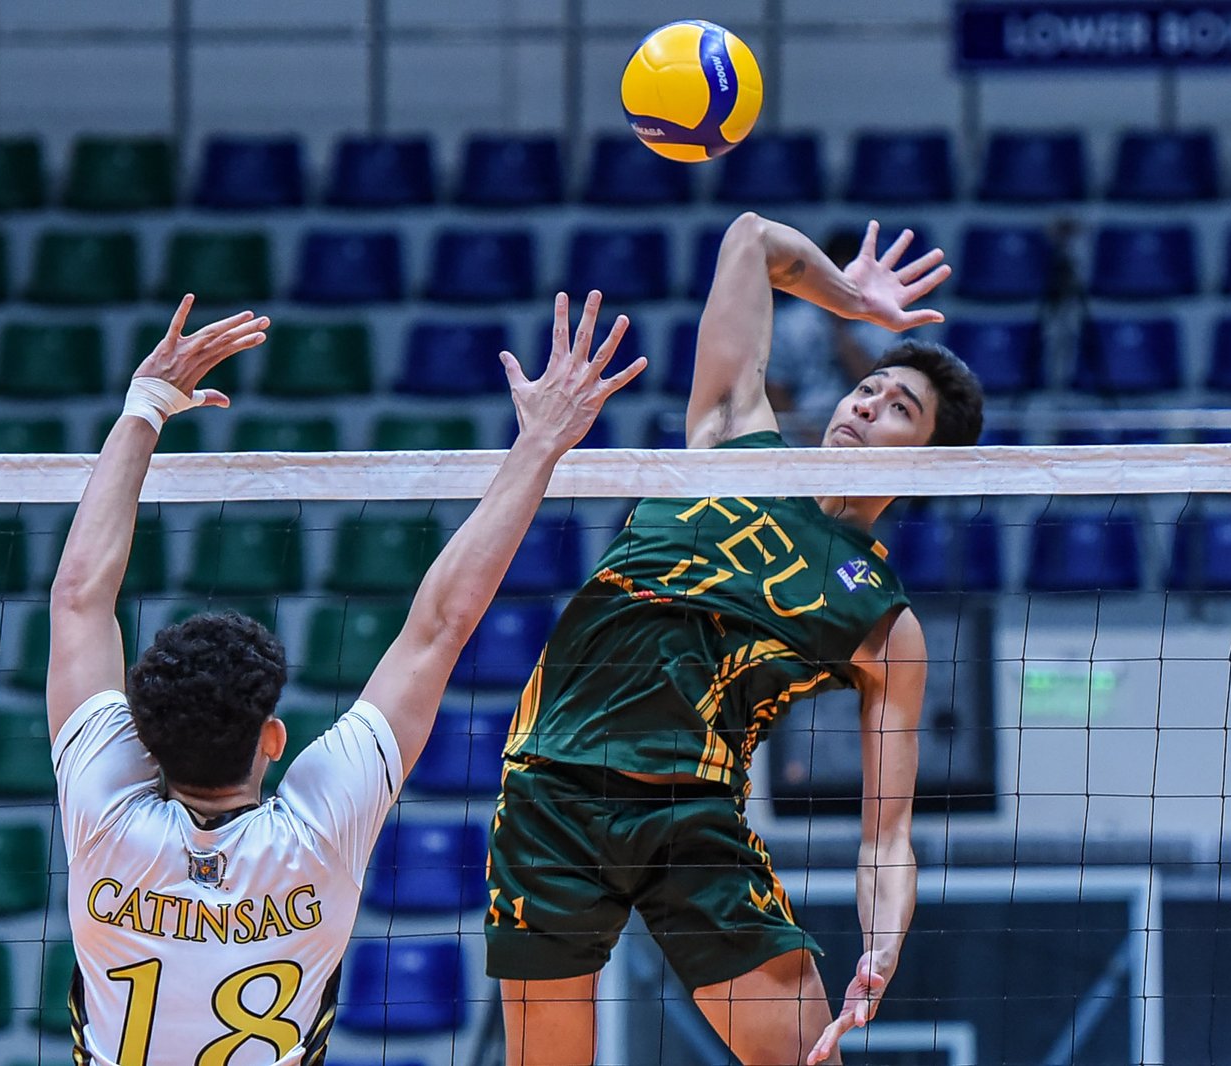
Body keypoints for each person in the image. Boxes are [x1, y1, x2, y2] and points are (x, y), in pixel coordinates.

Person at [48, 290, 644, 1066]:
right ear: (273, 737)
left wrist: (145, 405)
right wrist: (539, 446)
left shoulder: (102, 815)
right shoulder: (316, 834)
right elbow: (439, 626)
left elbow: (78, 598)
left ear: (145, 742)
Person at [485, 213, 984, 1066]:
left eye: (901, 408)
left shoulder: (886, 623)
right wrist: (849, 297)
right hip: (553, 795)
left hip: (695, 819)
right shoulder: (731, 438)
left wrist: (885, 939)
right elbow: (752, 239)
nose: (867, 403)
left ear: (926, 461)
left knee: (801, 1054)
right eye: (870, 386)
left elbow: (886, 834)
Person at [766, 228, 899, 434]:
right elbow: (774, 390)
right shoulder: (790, 322)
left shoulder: (883, 322)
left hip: (865, 427)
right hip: (799, 433)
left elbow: (884, 388)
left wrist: (839, 330)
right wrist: (807, 437)